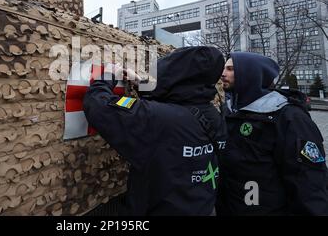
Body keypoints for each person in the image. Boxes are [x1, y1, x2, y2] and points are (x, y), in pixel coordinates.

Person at [83, 46, 226, 215]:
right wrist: (142, 84)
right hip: (203, 206)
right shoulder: (213, 114)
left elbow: (100, 105)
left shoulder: (159, 118)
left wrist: (108, 76)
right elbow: (176, 100)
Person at [217, 52, 328, 215]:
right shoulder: (228, 112)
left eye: (231, 69)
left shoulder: (290, 117)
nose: (223, 73)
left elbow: (309, 183)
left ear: (250, 75)